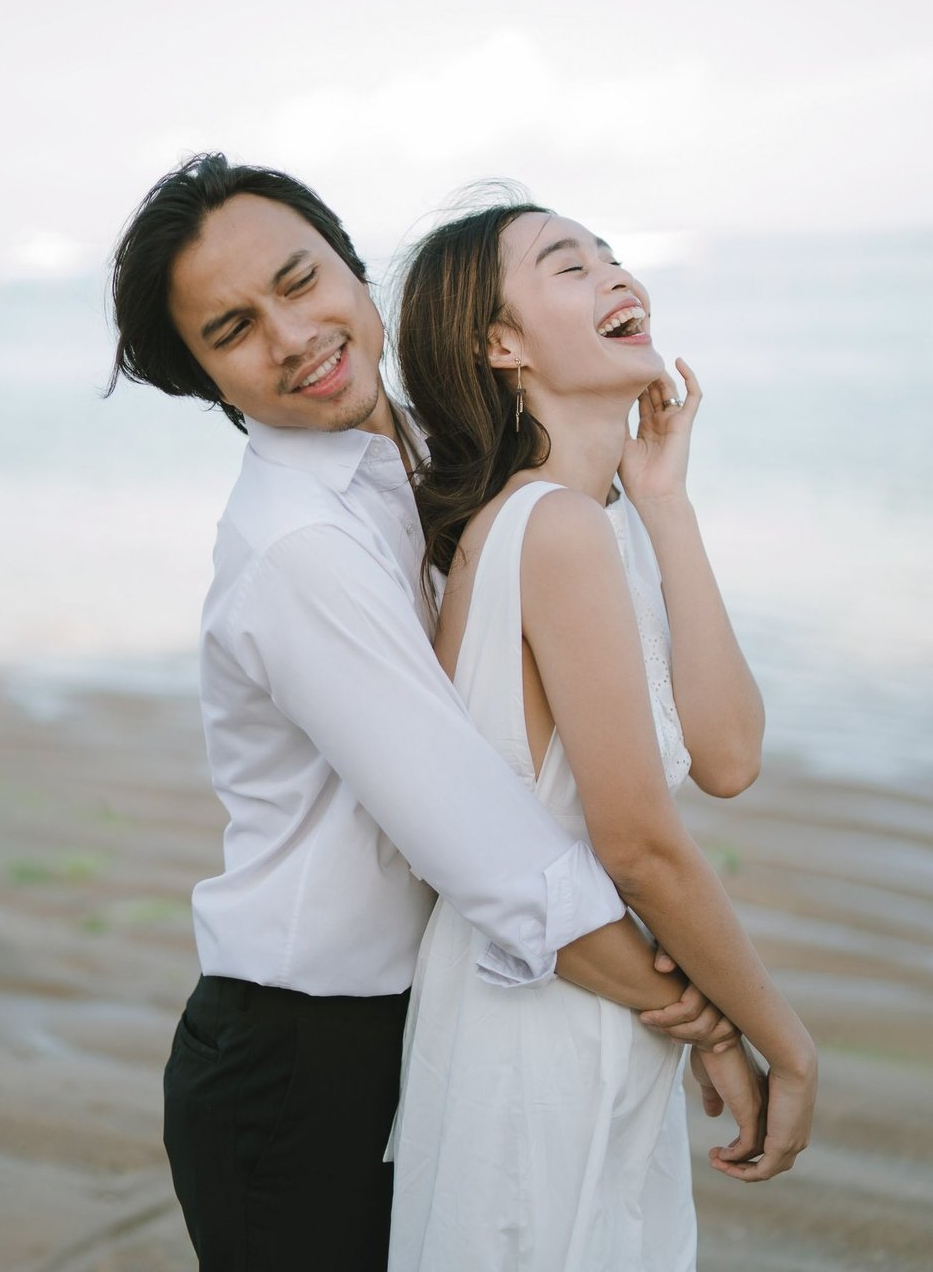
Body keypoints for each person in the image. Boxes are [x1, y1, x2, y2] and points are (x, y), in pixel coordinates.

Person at [107, 155, 744, 1272]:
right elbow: (491, 851)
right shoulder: (298, 549)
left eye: (302, 280)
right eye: (233, 330)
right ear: (209, 379)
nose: (294, 333)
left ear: (354, 269)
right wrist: (702, 1017)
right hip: (299, 1056)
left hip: (438, 1012)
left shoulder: (436, 459)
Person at [388, 200, 819, 1271]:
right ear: (500, 343)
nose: (614, 271)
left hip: (589, 996)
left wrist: (664, 500)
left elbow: (726, 757)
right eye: (566, 264)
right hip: (545, 1009)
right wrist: (781, 1038)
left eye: (612, 254)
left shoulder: (586, 523)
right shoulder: (555, 531)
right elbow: (637, 841)